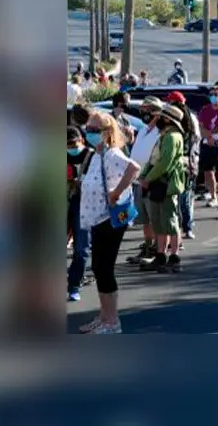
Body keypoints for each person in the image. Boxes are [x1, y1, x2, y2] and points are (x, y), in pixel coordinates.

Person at [77, 112, 142, 334]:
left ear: (107, 132)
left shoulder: (112, 153)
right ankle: (104, 316)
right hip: (97, 218)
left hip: (109, 219)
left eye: (94, 130)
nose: (89, 133)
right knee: (98, 267)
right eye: (88, 129)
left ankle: (112, 321)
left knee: (104, 268)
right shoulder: (98, 154)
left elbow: (134, 168)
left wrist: (116, 192)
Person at [138, 104, 187, 272]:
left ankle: (174, 257)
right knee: (158, 221)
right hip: (157, 182)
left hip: (166, 183)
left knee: (170, 221)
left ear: (167, 119)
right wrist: (144, 175)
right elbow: (153, 159)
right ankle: (160, 255)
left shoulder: (172, 137)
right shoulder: (165, 135)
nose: (156, 119)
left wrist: (148, 178)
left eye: (160, 117)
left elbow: (165, 162)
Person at [126, 97, 164, 265]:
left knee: (155, 218)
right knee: (144, 219)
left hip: (152, 181)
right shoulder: (143, 130)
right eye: (142, 109)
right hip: (138, 181)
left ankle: (157, 250)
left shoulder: (161, 132)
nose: (144, 113)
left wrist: (148, 177)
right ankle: (148, 247)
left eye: (147, 109)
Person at [167, 91, 200, 240]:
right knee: (186, 197)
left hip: (180, 162)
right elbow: (197, 140)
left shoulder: (174, 120)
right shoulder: (191, 118)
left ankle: (181, 227)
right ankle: (187, 227)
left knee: (179, 197)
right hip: (189, 162)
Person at [67, 126, 94, 302]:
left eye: (73, 144)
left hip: (84, 204)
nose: (70, 148)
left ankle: (74, 285)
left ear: (81, 140)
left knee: (81, 248)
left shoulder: (92, 156)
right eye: (66, 145)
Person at [197, 84, 218, 207]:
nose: (213, 97)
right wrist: (209, 136)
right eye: (211, 94)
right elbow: (201, 126)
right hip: (207, 143)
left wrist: (215, 137)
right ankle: (213, 196)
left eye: (216, 94)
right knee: (208, 171)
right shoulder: (204, 109)